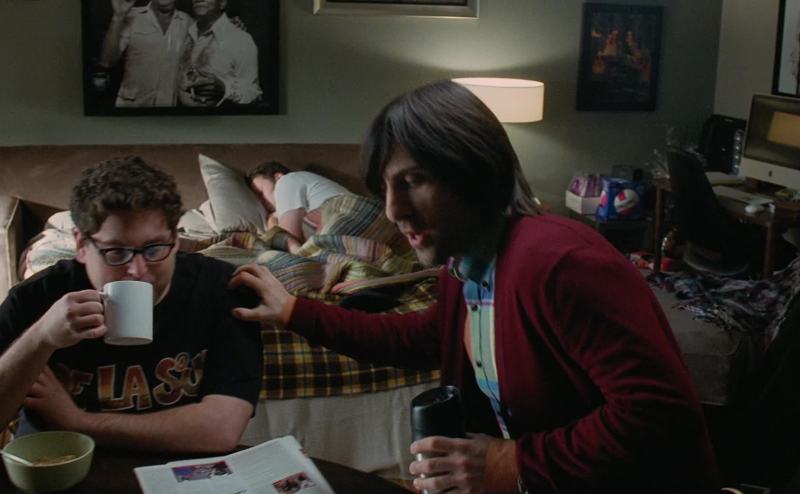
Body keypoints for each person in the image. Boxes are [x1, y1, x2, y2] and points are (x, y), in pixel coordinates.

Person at [230, 80, 719, 493]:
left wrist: (509, 463)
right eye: (385, 188)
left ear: (475, 169)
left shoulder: (557, 263)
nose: (393, 210)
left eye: (413, 181)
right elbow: (419, 337)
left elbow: (660, 416)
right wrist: (294, 311)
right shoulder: (467, 264)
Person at [0, 157, 262, 453]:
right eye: (116, 251)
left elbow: (222, 429)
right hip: (55, 462)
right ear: (82, 245)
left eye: (154, 248)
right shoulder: (36, 296)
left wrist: (79, 422)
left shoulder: (221, 288)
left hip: (173, 466)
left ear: (175, 240)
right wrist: (41, 337)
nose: (137, 270)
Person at [98, 0, 193, 107]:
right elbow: (107, 61)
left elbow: (189, 69)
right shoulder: (132, 15)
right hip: (130, 108)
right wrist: (118, 17)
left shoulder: (187, 22)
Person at [246, 162, 352, 252]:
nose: (261, 201)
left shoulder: (287, 180)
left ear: (278, 176)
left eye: (260, 193)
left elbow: (289, 239)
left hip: (346, 211)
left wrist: (272, 220)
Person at [178, 0, 262, 107]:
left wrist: (225, 90)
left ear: (222, 3)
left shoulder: (241, 39)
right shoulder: (185, 31)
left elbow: (253, 91)